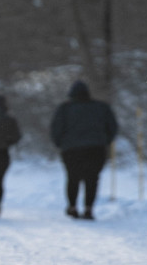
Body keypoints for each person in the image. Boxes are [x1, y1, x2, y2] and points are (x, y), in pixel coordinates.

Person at [49, 80, 118, 220]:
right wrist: (105, 141)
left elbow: (56, 129)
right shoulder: (101, 107)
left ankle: (73, 206)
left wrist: (60, 144)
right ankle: (88, 208)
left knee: (72, 178)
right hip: (96, 149)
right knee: (92, 179)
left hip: (71, 150)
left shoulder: (64, 108)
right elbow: (112, 127)